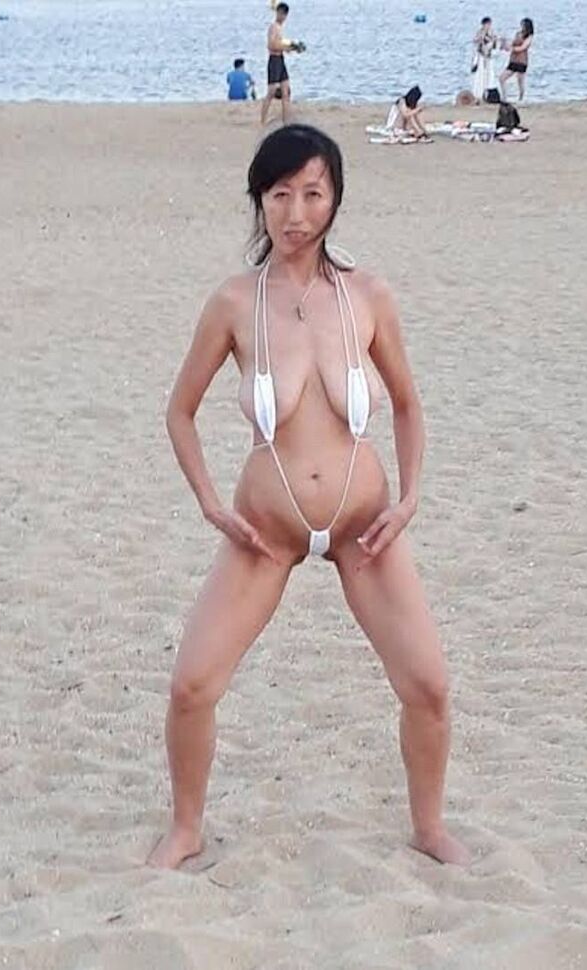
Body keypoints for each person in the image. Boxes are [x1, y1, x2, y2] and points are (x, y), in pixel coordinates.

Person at [147, 123, 470, 871]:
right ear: (259, 201)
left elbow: (408, 404)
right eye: (280, 194)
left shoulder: (367, 296)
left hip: (364, 528)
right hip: (266, 529)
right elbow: (180, 411)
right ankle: (187, 827)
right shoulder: (235, 303)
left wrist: (410, 498)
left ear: (336, 199)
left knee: (428, 685)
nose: (297, 213)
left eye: (314, 194)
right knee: (192, 685)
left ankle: (428, 826)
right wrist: (210, 503)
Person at [260, 3, 305, 126]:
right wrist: (286, 47)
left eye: (284, 14)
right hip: (274, 60)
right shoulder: (273, 27)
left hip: (280, 60)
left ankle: (286, 121)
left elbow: (280, 44)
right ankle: (263, 120)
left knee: (286, 91)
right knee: (271, 92)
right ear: (277, 13)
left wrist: (292, 47)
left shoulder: (280, 28)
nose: (282, 16)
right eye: (280, 13)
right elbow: (271, 45)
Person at [500, 18, 534, 102]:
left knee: (520, 81)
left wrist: (512, 48)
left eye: (523, 25)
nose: (522, 26)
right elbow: (512, 44)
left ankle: (521, 98)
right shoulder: (518, 34)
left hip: (522, 61)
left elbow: (523, 47)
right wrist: (505, 45)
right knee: (502, 78)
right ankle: (504, 97)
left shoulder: (529, 37)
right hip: (513, 60)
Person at [471, 16, 497, 105]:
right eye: (487, 24)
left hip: (488, 57)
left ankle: (487, 94)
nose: (488, 26)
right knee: (480, 76)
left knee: (488, 76)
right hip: (481, 57)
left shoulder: (492, 33)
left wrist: (493, 40)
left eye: (489, 24)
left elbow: (494, 44)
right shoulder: (480, 32)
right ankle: (478, 95)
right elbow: (475, 41)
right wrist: (481, 38)